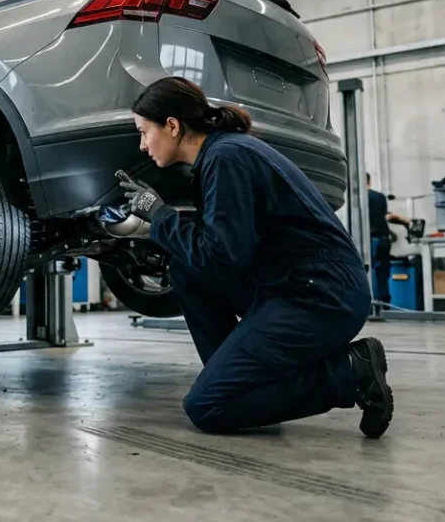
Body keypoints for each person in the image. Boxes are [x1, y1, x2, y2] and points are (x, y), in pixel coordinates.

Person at [117, 77, 394, 438]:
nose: (141, 145)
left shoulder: (227, 158)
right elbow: (216, 252)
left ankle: (350, 372)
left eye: (144, 132)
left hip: (320, 296)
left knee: (207, 408)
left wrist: (161, 216)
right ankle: (240, 382)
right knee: (185, 269)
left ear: (172, 126)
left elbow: (220, 258)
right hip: (293, 284)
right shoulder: (223, 154)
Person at [367, 173, 411, 306]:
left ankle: (372, 304)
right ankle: (383, 303)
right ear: (370, 181)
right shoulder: (379, 197)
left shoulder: (358, 198)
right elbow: (384, 217)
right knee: (383, 271)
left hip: (369, 240)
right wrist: (404, 220)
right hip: (383, 239)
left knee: (370, 270)